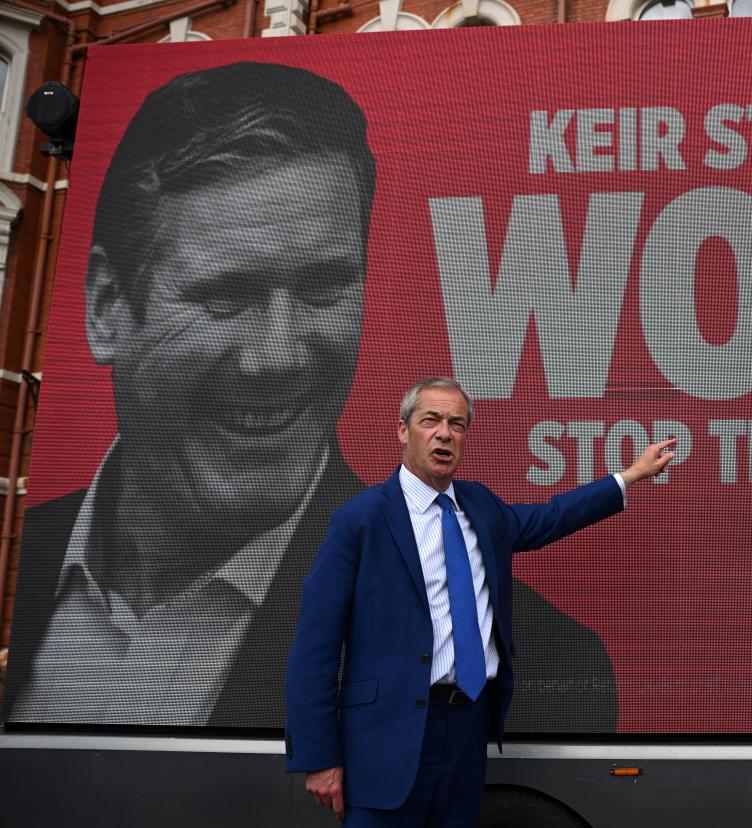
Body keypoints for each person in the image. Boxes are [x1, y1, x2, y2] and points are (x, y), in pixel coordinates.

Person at [2, 63, 616, 730]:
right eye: (226, 295)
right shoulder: (20, 561)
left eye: (324, 287)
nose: (279, 357)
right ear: (106, 306)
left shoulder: (531, 652)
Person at [284, 377, 675, 825]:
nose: (444, 433)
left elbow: (550, 518)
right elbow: (314, 647)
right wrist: (319, 757)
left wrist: (630, 476)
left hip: (467, 728)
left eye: (457, 424)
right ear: (402, 430)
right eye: (430, 420)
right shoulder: (360, 520)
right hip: (386, 737)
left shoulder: (481, 508)